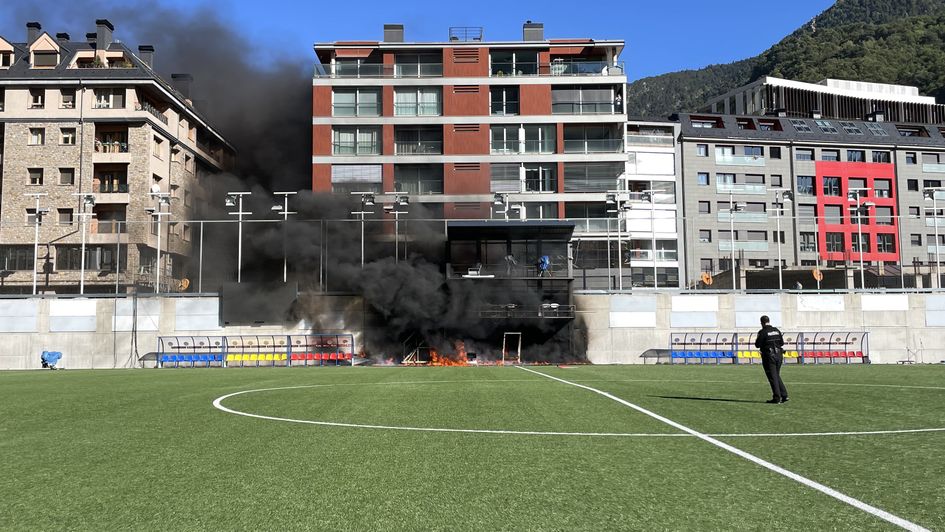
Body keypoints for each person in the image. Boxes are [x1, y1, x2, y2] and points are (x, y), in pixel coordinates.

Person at [754, 315, 788, 404]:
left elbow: (757, 344)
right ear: (769, 321)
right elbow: (782, 343)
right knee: (776, 375)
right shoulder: (776, 330)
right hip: (779, 355)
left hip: (769, 356)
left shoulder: (763, 332)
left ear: (761, 323)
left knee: (772, 377)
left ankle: (777, 398)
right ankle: (784, 395)